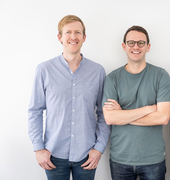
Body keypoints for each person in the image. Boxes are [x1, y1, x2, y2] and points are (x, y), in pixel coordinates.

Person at [28, 15, 111, 180]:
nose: (73, 37)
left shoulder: (98, 71)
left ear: (84, 37)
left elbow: (104, 113)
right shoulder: (44, 70)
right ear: (60, 37)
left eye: (78, 32)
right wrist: (38, 148)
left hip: (87, 155)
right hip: (53, 154)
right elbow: (35, 111)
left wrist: (99, 148)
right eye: (68, 32)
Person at [102, 25, 170, 180]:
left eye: (141, 43)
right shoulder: (112, 78)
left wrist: (123, 114)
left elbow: (163, 118)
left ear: (148, 47)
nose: (136, 47)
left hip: (153, 159)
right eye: (131, 42)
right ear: (124, 46)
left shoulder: (161, 75)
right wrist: (148, 109)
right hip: (120, 158)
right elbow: (110, 118)